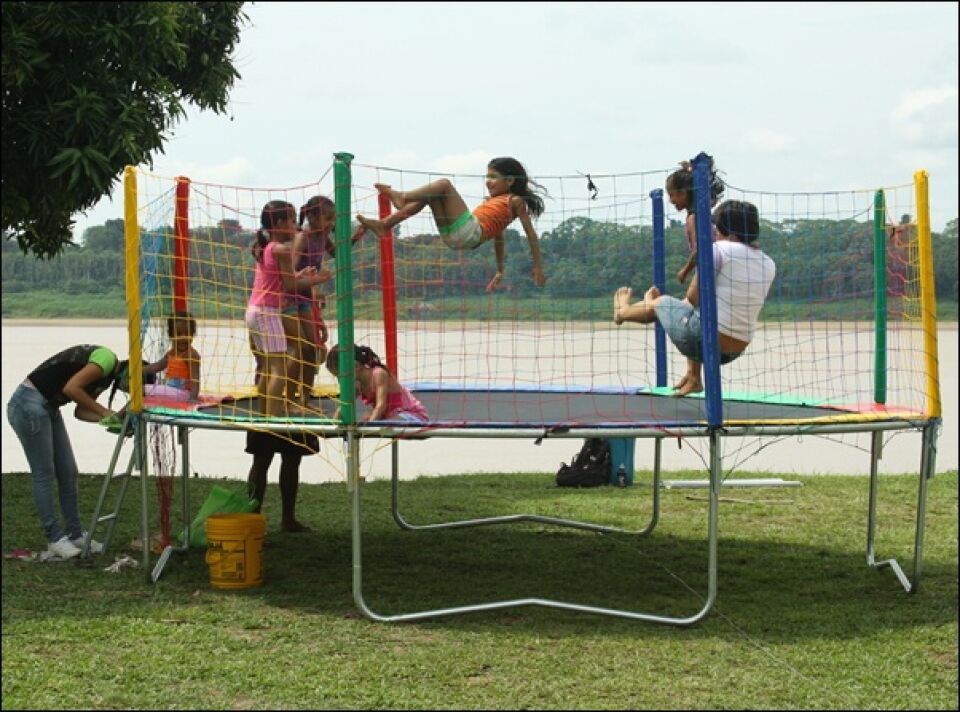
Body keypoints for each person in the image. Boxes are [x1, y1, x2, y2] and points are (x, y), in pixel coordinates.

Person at [613, 200, 776, 397]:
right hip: (734, 350)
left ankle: (622, 312)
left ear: (726, 230)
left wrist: (656, 305)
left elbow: (692, 297)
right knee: (695, 314)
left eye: (717, 228)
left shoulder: (718, 249)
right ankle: (694, 378)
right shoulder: (768, 263)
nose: (715, 232)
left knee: (661, 302)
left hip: (703, 341)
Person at [6, 345, 135, 559]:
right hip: (28, 404)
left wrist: (114, 419)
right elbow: (71, 389)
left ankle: (75, 534)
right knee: (44, 474)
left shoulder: (104, 378)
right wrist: (104, 412)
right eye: (134, 385)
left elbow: (81, 410)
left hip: (48, 407)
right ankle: (55, 538)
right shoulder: (106, 359)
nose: (129, 389)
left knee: (68, 471)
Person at [355, 156, 548, 292]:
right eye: (486, 177)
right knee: (431, 195)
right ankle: (385, 224)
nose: (488, 182)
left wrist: (537, 266)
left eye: (493, 177)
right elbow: (498, 238)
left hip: (469, 232)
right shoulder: (493, 203)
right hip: (455, 237)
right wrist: (500, 270)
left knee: (444, 184)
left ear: (510, 180)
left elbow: (530, 234)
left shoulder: (514, 201)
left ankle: (402, 197)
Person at [245, 200, 326, 417]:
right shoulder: (280, 249)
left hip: (255, 310)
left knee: (268, 366)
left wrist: (300, 275)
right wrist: (317, 280)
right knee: (278, 369)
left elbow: (279, 281)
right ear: (280, 224)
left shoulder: (267, 247)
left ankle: (264, 413)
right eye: (291, 220)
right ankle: (273, 417)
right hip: (267, 313)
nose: (295, 225)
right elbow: (291, 286)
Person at [291, 195, 365, 409]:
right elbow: (289, 272)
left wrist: (356, 237)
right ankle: (290, 398)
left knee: (312, 351)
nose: (331, 224)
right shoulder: (302, 238)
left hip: (306, 298)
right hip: (291, 298)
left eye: (333, 219)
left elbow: (339, 253)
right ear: (312, 216)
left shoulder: (323, 238)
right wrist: (312, 278)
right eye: (328, 218)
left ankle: (304, 398)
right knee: (299, 349)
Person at [664, 154, 726, 394]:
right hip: (709, 270)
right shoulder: (702, 211)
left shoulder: (694, 217)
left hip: (706, 270)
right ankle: (691, 375)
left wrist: (685, 270)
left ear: (685, 193)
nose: (671, 200)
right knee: (694, 318)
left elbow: (701, 249)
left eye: (673, 195)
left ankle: (694, 378)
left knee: (689, 320)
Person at [325, 344, 429, 423]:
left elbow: (380, 406)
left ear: (356, 366)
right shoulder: (357, 384)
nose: (339, 381)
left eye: (340, 376)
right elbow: (344, 406)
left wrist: (370, 425)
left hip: (413, 415)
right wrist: (333, 424)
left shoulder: (378, 374)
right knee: (370, 421)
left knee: (384, 424)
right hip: (389, 418)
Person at [142, 311, 201, 401]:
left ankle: (120, 415)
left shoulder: (191, 355)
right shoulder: (171, 353)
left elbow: (195, 380)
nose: (183, 337)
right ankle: (121, 413)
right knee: (140, 387)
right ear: (171, 335)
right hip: (170, 390)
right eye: (179, 334)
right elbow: (158, 366)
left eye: (187, 334)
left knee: (141, 389)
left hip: (182, 393)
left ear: (192, 334)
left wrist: (193, 399)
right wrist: (140, 371)